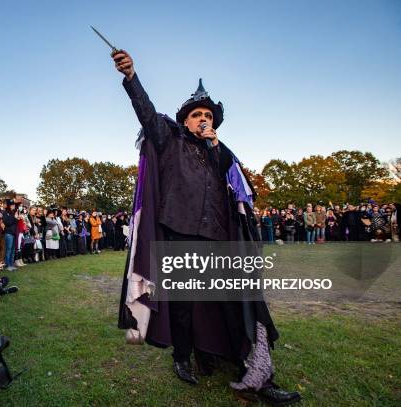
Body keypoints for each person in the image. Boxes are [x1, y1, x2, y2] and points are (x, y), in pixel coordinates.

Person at [112, 50, 300, 405]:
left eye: (208, 116)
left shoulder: (222, 154)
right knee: (183, 304)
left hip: (218, 237)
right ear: (185, 120)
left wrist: (216, 144)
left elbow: (242, 191)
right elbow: (147, 113)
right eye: (197, 115)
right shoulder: (171, 141)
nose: (202, 119)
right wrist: (131, 76)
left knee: (232, 302)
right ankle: (182, 356)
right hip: (179, 233)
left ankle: (247, 365)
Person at [2, 200, 18, 271]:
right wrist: (15, 218)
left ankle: (11, 264)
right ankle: (8, 265)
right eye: (12, 205)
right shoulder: (5, 212)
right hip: (8, 233)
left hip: (14, 233)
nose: (13, 206)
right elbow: (7, 222)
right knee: (8, 249)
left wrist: (16, 218)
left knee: (13, 250)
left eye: (14, 205)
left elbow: (15, 223)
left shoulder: (13, 212)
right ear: (9, 206)